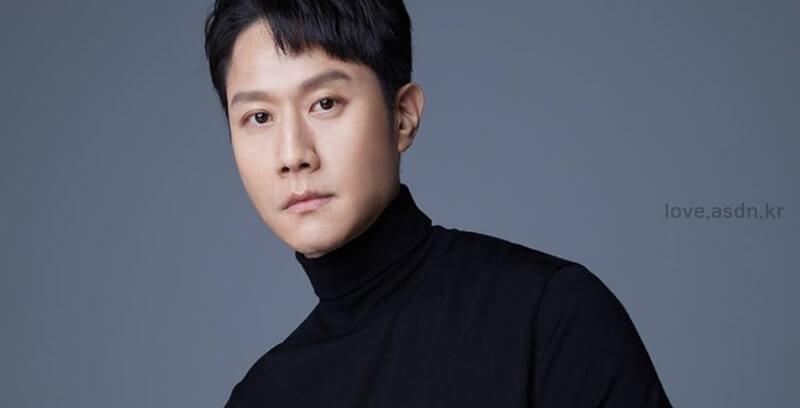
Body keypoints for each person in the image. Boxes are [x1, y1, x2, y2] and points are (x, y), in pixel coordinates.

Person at [203, 1, 673, 406]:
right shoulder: (262, 395)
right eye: (258, 116)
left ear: (403, 116)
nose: (292, 155)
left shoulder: (549, 314)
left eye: (325, 103)